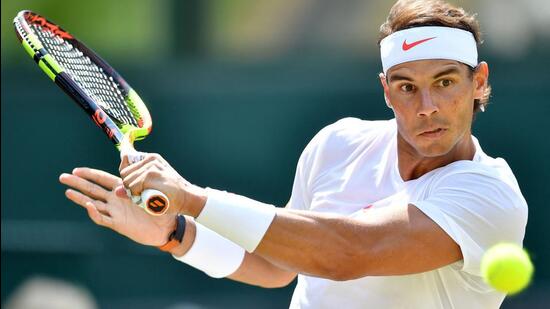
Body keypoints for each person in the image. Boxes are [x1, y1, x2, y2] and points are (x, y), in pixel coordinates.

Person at [59, 0, 528, 308]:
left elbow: (347, 254)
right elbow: (279, 266)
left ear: (479, 82)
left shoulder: (490, 195)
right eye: (407, 87)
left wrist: (193, 199)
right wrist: (175, 232)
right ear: (386, 91)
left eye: (445, 83)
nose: (427, 107)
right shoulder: (337, 144)